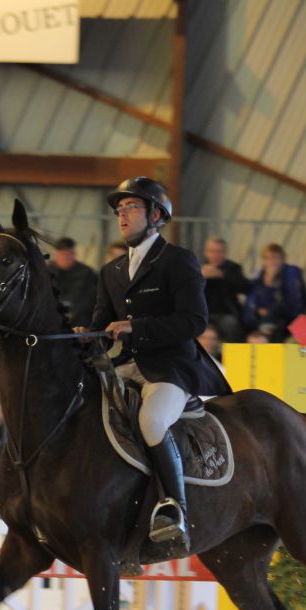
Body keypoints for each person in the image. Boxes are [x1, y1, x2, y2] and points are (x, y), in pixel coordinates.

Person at [90, 176, 232, 549]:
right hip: (125, 367)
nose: (122, 215)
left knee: (151, 420)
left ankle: (174, 508)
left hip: (170, 368)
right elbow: (101, 324)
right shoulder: (111, 272)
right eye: (119, 210)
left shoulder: (178, 261)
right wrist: (84, 334)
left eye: (131, 207)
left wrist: (136, 327)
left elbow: (193, 321)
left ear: (155, 215)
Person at [242, 243, 306, 341]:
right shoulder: (258, 279)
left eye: (276, 258)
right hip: (271, 320)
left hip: (292, 315)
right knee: (277, 322)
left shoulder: (292, 273)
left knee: (281, 311)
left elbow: (293, 301)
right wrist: (267, 284)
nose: (272, 262)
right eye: (268, 258)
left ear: (283, 260)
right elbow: (253, 305)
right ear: (264, 261)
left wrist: (270, 284)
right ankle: (265, 339)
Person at [200, 237, 248, 342]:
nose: (216, 255)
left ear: (225, 253)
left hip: (226, 313)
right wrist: (199, 277)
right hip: (203, 313)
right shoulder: (197, 267)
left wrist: (223, 275)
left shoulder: (233, 268)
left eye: (219, 252)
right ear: (206, 253)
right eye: (212, 251)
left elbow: (245, 287)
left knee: (231, 324)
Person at [46, 237, 98, 326]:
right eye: (62, 254)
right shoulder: (45, 272)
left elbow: (91, 299)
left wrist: (73, 312)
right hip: (50, 320)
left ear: (74, 254)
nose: (65, 258)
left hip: (80, 323)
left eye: (69, 254)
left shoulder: (87, 273)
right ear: (56, 255)